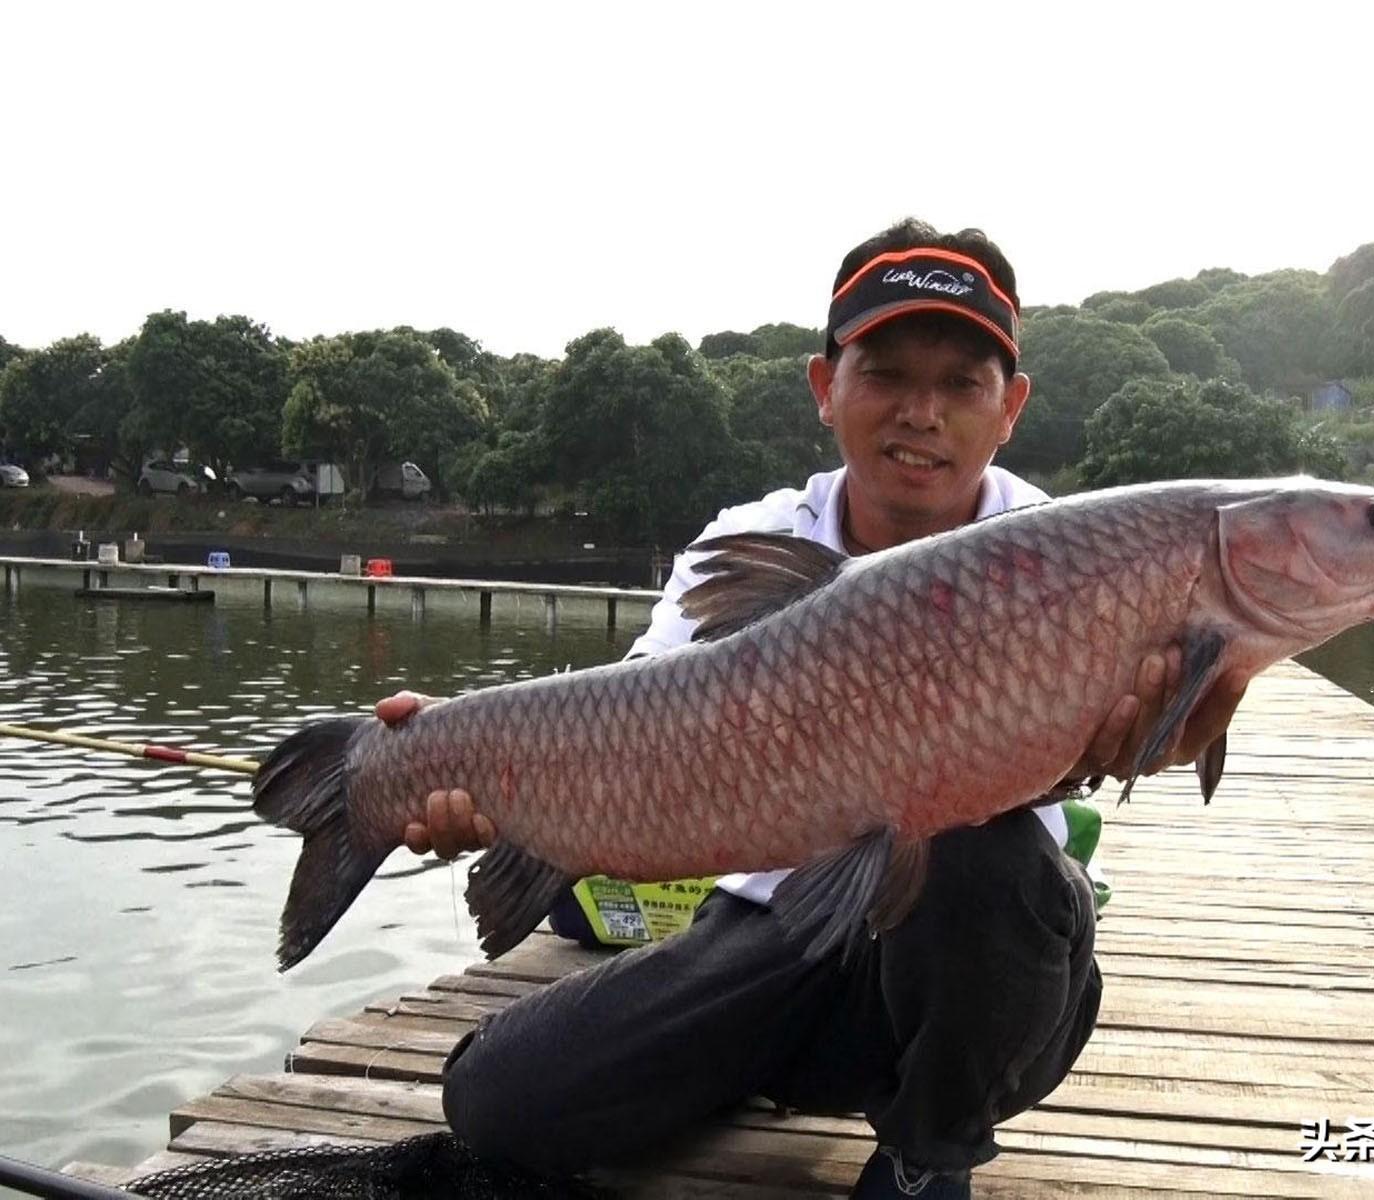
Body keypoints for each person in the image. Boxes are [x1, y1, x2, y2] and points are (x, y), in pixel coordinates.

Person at [376, 218, 1246, 1199]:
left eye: (962, 383)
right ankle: (755, 1061)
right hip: (777, 913)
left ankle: (929, 1147)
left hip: (973, 937)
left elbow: (1154, 730)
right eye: (885, 374)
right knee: (498, 1104)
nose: (923, 412)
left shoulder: (1076, 547)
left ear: (1011, 409)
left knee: (985, 854)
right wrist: (465, 762)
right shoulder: (754, 537)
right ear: (826, 387)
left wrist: (1160, 741)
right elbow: (628, 714)